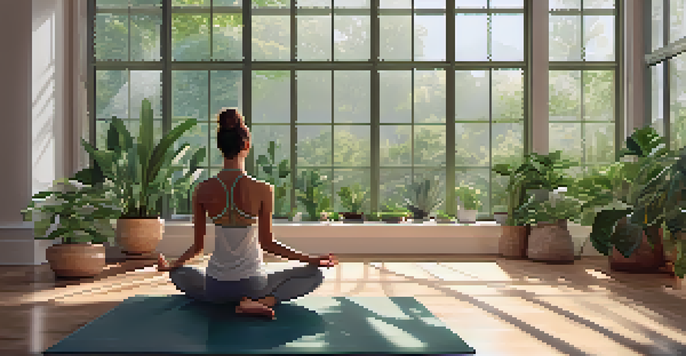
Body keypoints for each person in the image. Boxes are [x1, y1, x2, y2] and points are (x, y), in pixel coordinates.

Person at [157, 107, 338, 320]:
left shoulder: (202, 190)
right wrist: (312, 259)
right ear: (247, 145)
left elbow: (197, 248)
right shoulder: (262, 189)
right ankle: (261, 301)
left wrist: (171, 265)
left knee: (180, 273)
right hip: (254, 284)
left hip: (215, 287)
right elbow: (268, 243)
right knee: (314, 275)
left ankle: (225, 301)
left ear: (220, 146)